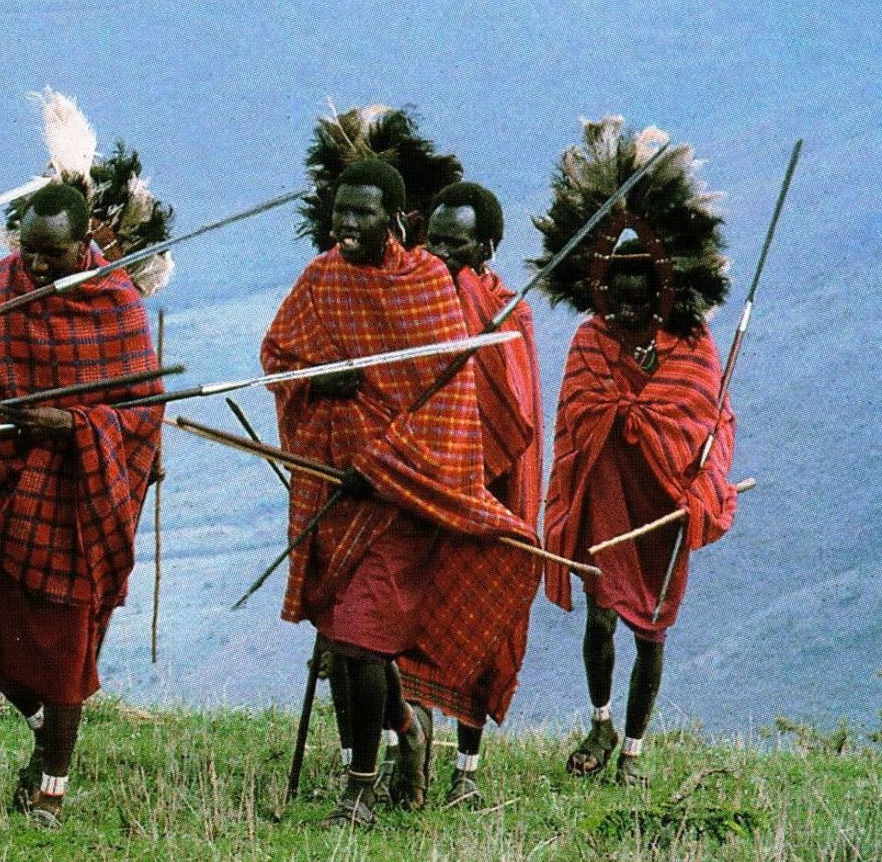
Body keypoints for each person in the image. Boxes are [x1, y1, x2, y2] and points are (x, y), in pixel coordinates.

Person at [261, 159, 535, 827]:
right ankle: (403, 736)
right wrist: (313, 383)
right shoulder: (320, 277)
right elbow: (278, 355)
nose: (346, 226)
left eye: (361, 214)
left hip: (403, 497)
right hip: (333, 490)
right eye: (338, 213)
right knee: (340, 641)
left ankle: (358, 789)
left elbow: (448, 408)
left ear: (394, 219)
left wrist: (382, 465)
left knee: (360, 640)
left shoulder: (427, 289)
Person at [0, 183, 164, 827]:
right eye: (32, 251)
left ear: (84, 244)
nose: (40, 268)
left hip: (73, 494)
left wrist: (75, 426)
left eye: (54, 255)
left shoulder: (117, 303)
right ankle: (47, 724)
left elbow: (139, 413)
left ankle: (52, 786)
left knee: (63, 643)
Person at [544, 247, 737, 785]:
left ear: (661, 299)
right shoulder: (591, 340)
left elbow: (706, 417)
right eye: (617, 302)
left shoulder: (691, 343)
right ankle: (600, 723)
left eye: (640, 303)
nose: (627, 314)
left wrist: (694, 471)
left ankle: (632, 751)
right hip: (604, 494)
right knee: (599, 614)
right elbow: (575, 414)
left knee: (653, 627)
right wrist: (618, 413)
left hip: (663, 500)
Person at [409, 182, 544, 806]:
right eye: (433, 239)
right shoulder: (413, 292)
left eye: (454, 243)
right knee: (410, 618)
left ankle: (465, 770)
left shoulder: (508, 311)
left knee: (479, 623)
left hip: (485, 492)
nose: (440, 252)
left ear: (485, 246)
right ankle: (405, 757)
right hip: (420, 482)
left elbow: (514, 410)